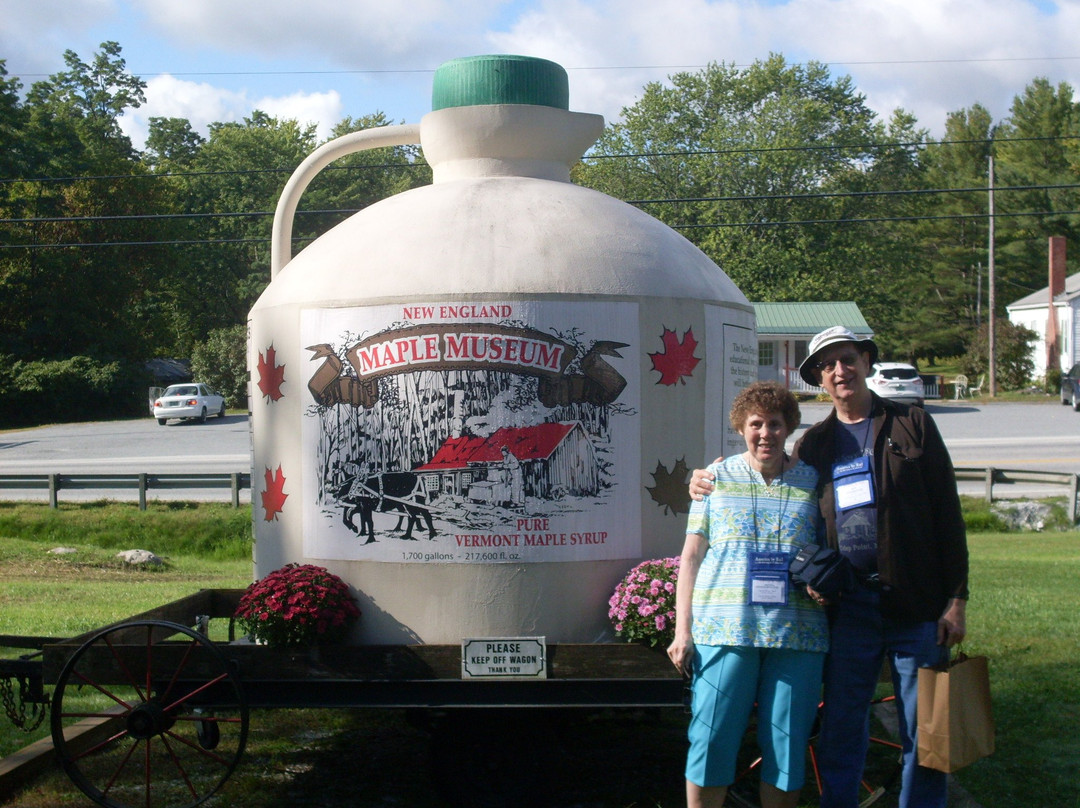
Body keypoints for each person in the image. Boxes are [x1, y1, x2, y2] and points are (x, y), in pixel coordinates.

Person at [689, 326, 968, 808]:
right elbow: (775, 481)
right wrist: (706, 479)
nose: (840, 371)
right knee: (841, 726)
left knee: (926, 733)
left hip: (917, 603)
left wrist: (956, 599)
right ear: (819, 377)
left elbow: (948, 512)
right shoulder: (816, 445)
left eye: (848, 359)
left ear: (866, 362)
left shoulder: (913, 424)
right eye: (828, 365)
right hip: (849, 606)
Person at [668, 381, 828, 808]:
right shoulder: (713, 479)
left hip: (797, 633)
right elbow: (691, 557)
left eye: (775, 424)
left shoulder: (812, 482)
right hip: (725, 628)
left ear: (789, 427)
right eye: (756, 424)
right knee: (711, 739)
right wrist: (683, 631)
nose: (765, 433)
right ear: (741, 427)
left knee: (787, 748)